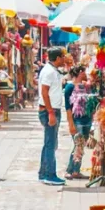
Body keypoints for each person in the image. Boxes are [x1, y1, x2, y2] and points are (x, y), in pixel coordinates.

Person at [36, 53, 67, 185]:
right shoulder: (49, 72)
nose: (64, 59)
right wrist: (50, 113)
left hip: (51, 109)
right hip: (49, 110)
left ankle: (43, 173)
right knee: (51, 144)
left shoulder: (52, 70)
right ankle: (50, 174)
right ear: (58, 58)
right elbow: (44, 92)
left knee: (49, 143)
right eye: (63, 57)